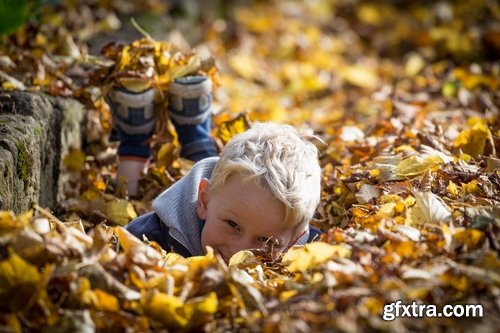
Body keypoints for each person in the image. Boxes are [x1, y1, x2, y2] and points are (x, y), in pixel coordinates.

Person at [106, 76, 323, 261]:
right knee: (129, 189)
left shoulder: (312, 247)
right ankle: (138, 142)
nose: (239, 252)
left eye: (266, 241)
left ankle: (193, 132)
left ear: (294, 240)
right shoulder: (148, 237)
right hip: (188, 204)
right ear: (203, 201)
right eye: (232, 224)